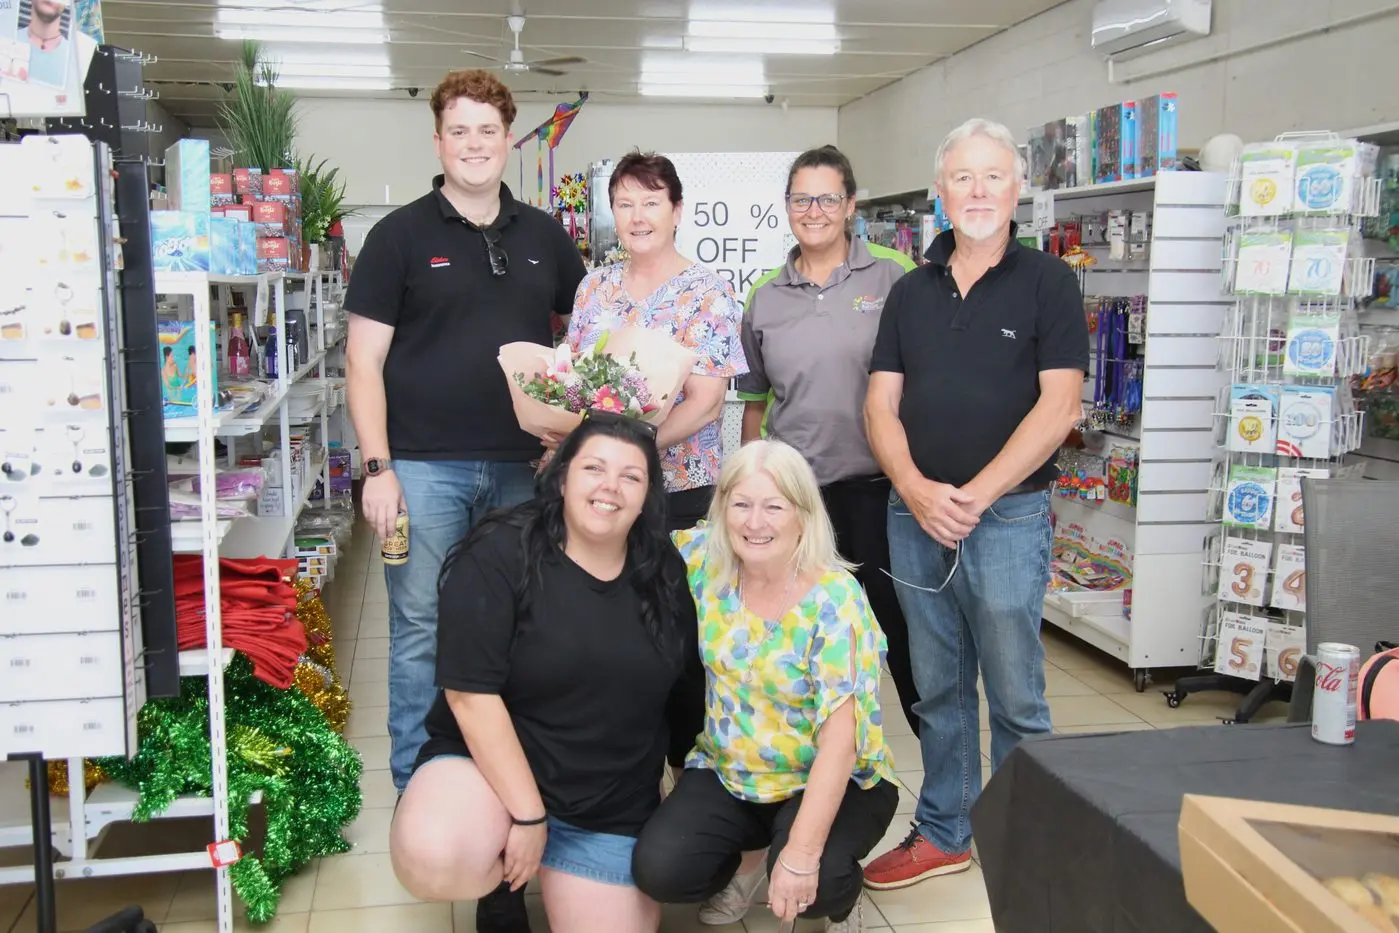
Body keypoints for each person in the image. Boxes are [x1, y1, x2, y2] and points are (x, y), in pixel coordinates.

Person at [344, 68, 586, 930]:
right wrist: (378, 470)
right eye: (460, 130)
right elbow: (363, 361)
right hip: (426, 469)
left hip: (525, 471)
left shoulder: (543, 236)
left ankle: (511, 785)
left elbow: (582, 337)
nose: (475, 144)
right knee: (420, 628)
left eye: (489, 130)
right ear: (438, 140)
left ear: (507, 137)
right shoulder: (401, 237)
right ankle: (421, 794)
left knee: (522, 631)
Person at [860, 118, 1088, 889]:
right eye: (962, 177)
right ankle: (943, 830)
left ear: (1017, 188)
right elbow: (878, 406)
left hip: (1008, 516)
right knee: (937, 690)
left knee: (1016, 691)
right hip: (914, 517)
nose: (978, 191)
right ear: (940, 191)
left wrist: (973, 496)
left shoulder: (1048, 282)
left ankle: (1033, 835)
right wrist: (917, 491)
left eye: (993, 176)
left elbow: (1058, 406)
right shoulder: (908, 291)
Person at [389, 412, 703, 933]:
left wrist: (687, 791)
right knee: (435, 855)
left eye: (631, 476)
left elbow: (683, 690)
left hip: (607, 800)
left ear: (649, 495)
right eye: (594, 468)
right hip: (491, 776)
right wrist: (528, 814)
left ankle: (558, 858)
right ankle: (498, 876)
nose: (611, 487)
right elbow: (470, 695)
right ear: (561, 477)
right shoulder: (499, 552)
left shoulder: (663, 572)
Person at [632, 440, 899, 933]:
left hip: (831, 776)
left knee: (813, 880)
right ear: (722, 510)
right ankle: (754, 858)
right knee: (660, 870)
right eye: (742, 504)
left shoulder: (835, 601)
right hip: (731, 769)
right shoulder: (703, 563)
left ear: (803, 514)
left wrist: (800, 854)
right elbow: (624, 539)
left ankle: (833, 889)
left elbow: (840, 746)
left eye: (775, 506)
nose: (756, 523)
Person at [738, 144, 921, 737]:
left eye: (827, 198)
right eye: (800, 198)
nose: (812, 210)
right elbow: (756, 404)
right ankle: (800, 772)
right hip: (798, 500)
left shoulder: (894, 276)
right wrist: (752, 486)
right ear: (786, 207)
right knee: (797, 642)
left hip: (880, 492)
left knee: (903, 639)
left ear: (850, 205)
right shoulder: (765, 296)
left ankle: (947, 793)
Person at [563, 150, 747, 530]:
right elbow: (574, 383)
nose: (638, 217)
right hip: (598, 488)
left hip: (678, 486)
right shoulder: (594, 288)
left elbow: (706, 404)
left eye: (651, 203)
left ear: (676, 211)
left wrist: (626, 454)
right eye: (625, 204)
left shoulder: (708, 293)